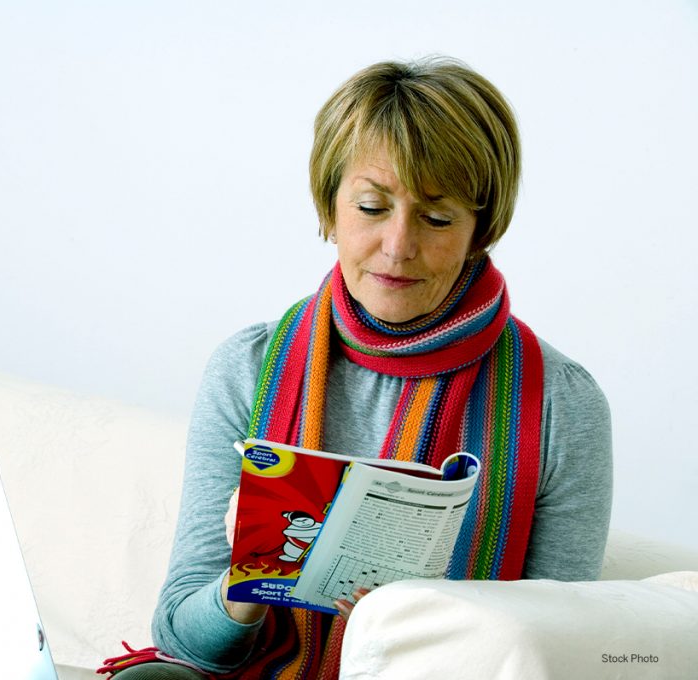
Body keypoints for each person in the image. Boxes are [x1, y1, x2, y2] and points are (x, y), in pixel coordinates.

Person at [99, 57, 612, 679]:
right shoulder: (249, 367)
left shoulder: (561, 402)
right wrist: (250, 577)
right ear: (329, 208)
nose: (398, 245)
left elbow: (560, 651)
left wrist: (419, 623)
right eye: (372, 207)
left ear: (481, 230)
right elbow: (187, 641)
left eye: (437, 217)